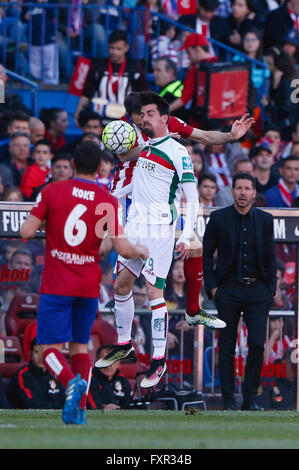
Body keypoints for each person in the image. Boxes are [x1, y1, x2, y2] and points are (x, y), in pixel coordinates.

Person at [20, 140, 149, 425]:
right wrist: (142, 250)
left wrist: (46, 222)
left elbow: (26, 232)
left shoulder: (52, 191)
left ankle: (70, 384)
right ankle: (78, 411)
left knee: (48, 349)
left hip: (57, 285)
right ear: (100, 167)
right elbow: (121, 249)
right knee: (80, 348)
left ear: (73, 164)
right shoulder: (107, 200)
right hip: (88, 287)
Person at [96, 91, 213, 388]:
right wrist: (104, 196)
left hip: (160, 228)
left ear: (164, 118)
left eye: (149, 114)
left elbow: (191, 196)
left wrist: (186, 235)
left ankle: (158, 361)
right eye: (142, 115)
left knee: (152, 292)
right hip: (135, 223)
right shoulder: (144, 149)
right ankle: (124, 343)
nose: (143, 119)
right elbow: (132, 184)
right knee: (120, 284)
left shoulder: (177, 151)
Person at [203, 172, 277, 410]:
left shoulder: (265, 220)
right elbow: (205, 255)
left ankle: (249, 399)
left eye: (247, 188)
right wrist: (213, 288)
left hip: (258, 290)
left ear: (254, 192)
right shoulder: (218, 218)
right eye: (239, 188)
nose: (243, 192)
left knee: (256, 344)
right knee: (226, 346)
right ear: (232, 191)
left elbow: (270, 256)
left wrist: (270, 289)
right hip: (228, 290)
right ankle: (227, 401)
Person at [75, 30, 147, 125]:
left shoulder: (135, 68)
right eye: (111, 48)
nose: (114, 52)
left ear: (126, 48)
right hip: (99, 118)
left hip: (125, 119)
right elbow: (86, 93)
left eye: (118, 49)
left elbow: (143, 96)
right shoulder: (98, 66)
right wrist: (78, 113)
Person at [7, 338, 65, 409]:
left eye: (44, 352)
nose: (41, 357)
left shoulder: (55, 374)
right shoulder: (22, 375)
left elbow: (65, 399)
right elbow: (31, 404)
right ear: (30, 354)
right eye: (37, 352)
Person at [88, 345, 133, 410]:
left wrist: (118, 409)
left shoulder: (123, 381)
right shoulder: (89, 379)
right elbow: (92, 407)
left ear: (118, 363)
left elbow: (130, 407)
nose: (109, 365)